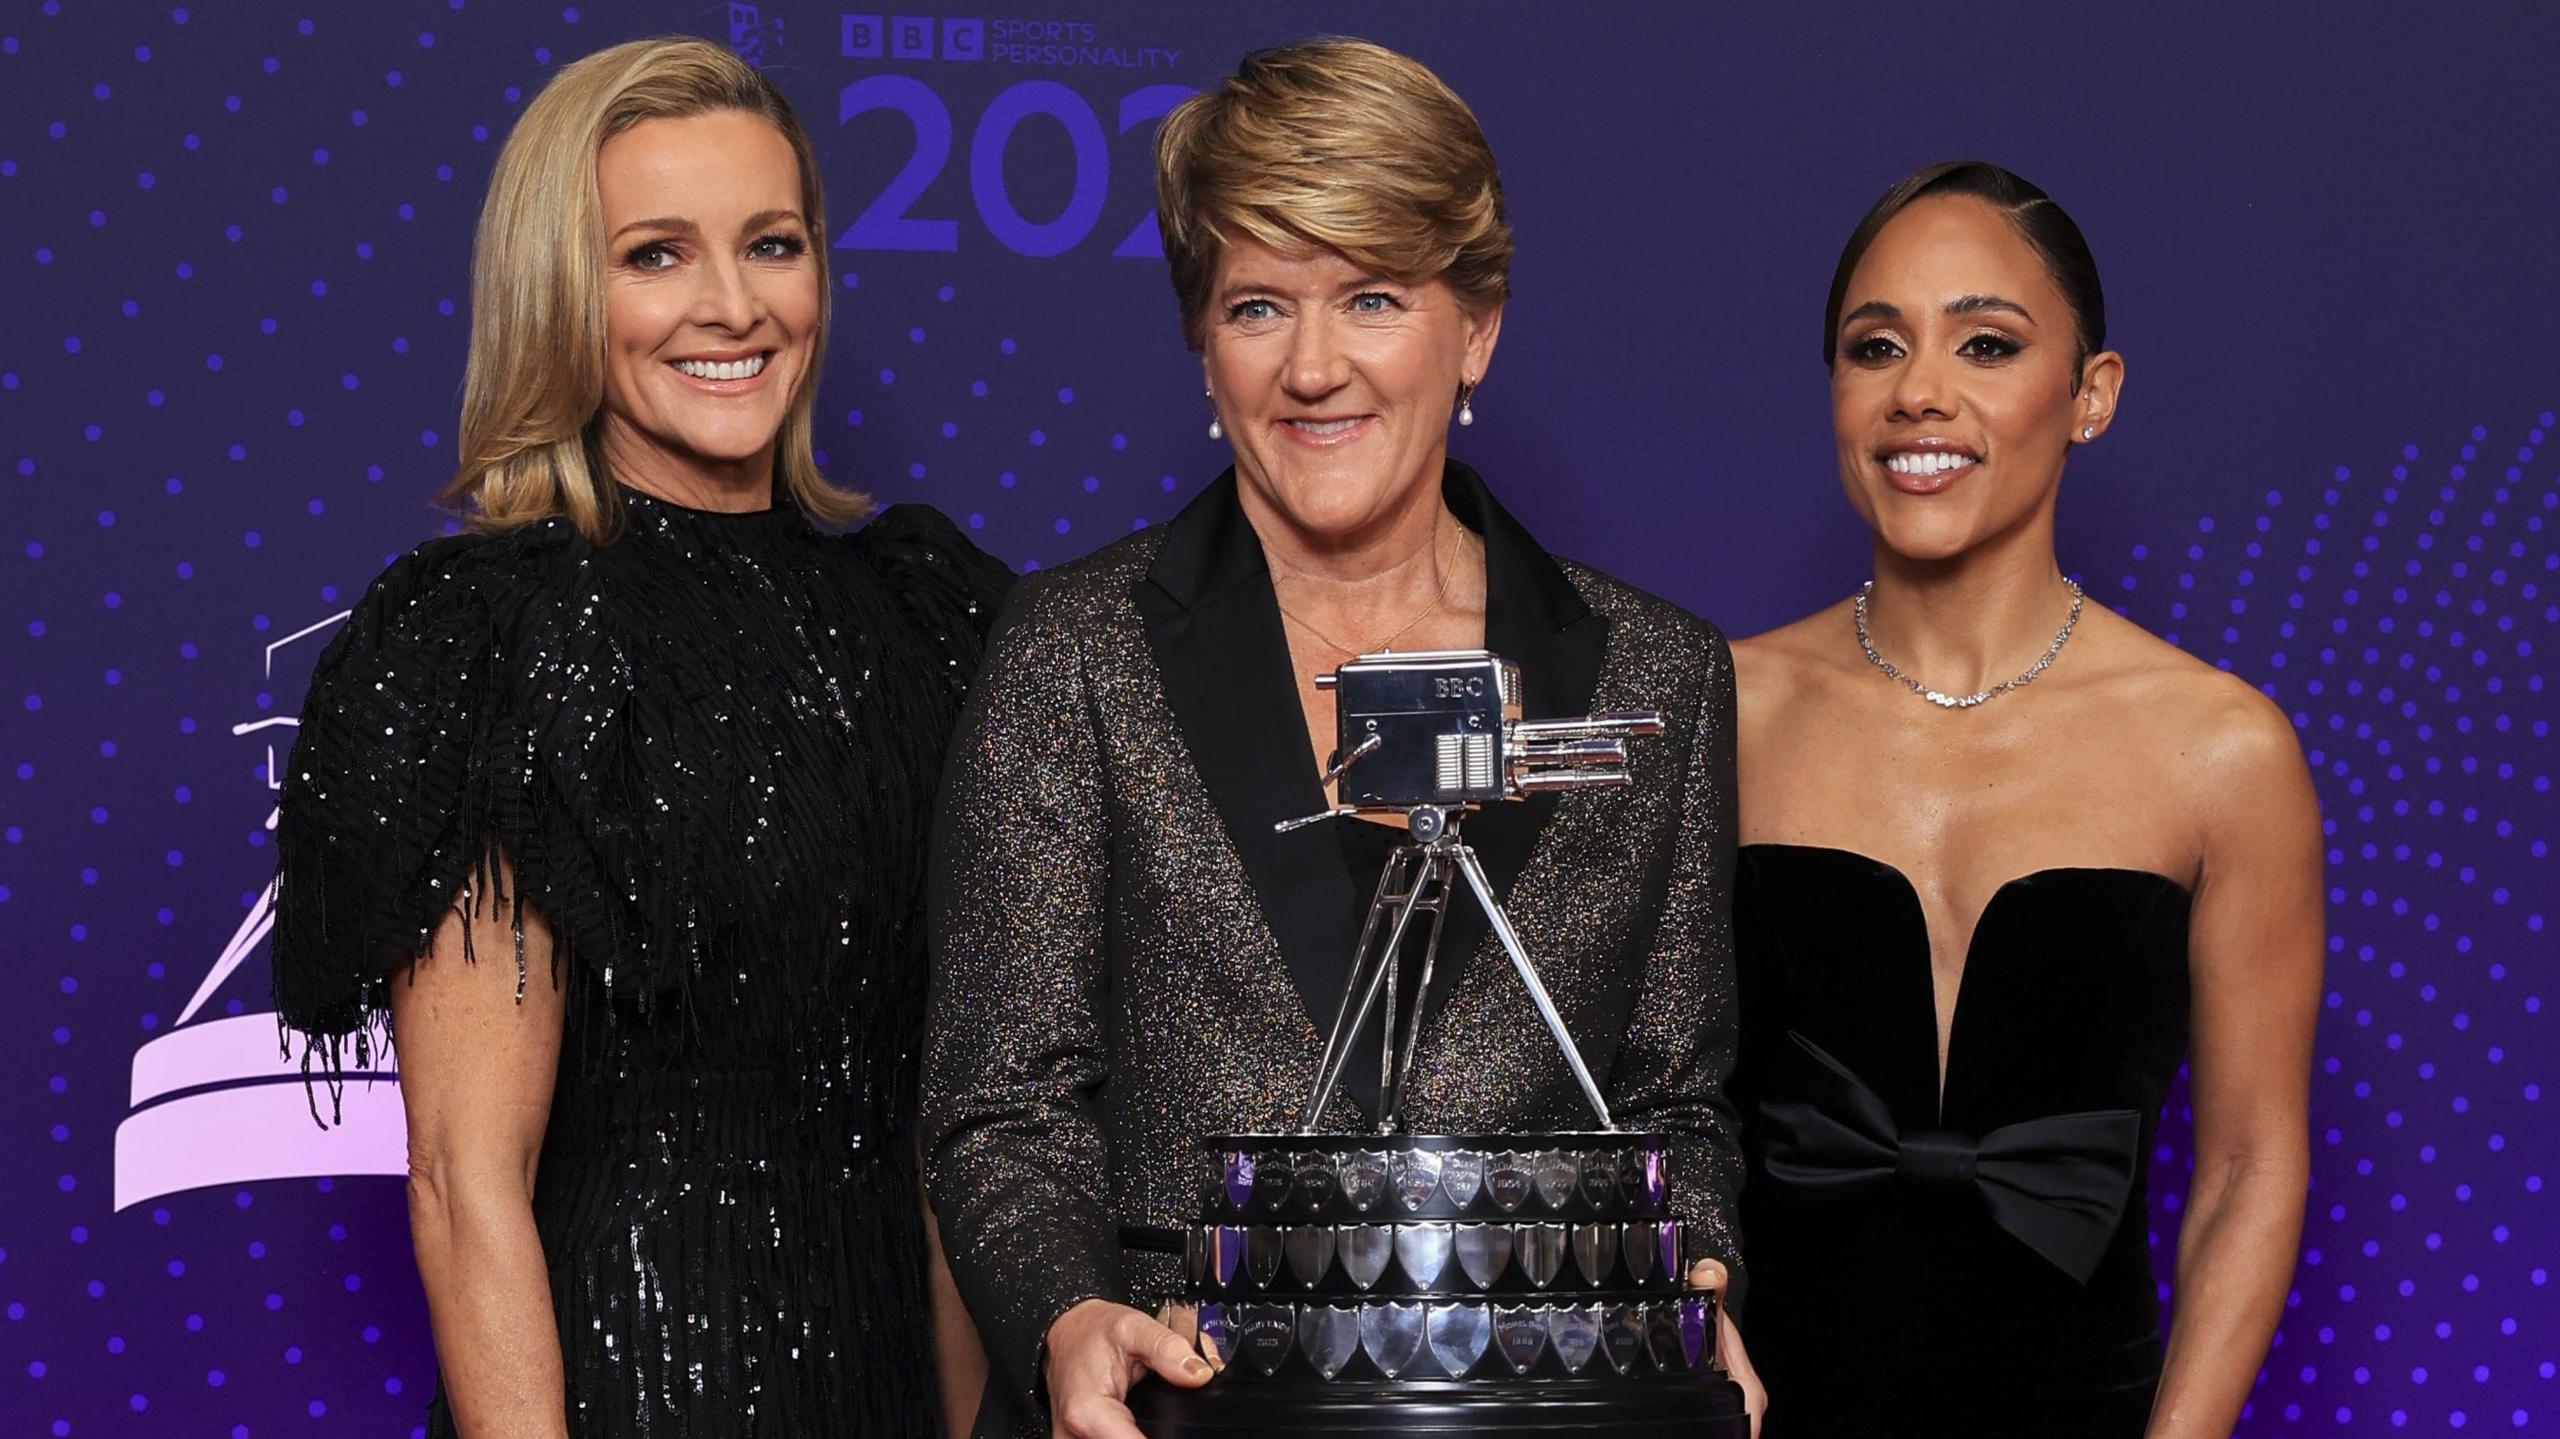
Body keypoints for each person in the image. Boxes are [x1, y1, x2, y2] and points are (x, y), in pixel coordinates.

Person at [921, 38, 1760, 1439]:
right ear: (1204, 339)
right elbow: (1002, 1100)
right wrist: (1068, 1313)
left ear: (1475, 328)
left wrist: (1698, 1282)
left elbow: (1679, 1097)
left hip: (1537, 1408)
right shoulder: (1070, 649)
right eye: (1259, 305)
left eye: (1372, 296)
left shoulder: (1656, 673)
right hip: (1175, 1406)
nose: (1313, 366)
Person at [270, 37, 1009, 1438]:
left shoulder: (930, 617)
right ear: (560, 291)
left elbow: (951, 1149)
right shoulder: (491, 634)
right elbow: (461, 1177)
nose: (732, 305)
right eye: (655, 255)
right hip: (623, 1390)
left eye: (772, 243)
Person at [1728, 160, 2320, 1436]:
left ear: (2089, 395)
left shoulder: (2223, 748)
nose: (1919, 393)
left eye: (1985, 343)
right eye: (1872, 346)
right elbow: (1640, 1115)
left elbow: (2249, 1164)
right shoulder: (1722, 710)